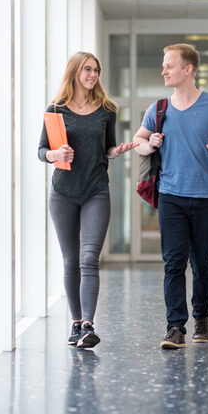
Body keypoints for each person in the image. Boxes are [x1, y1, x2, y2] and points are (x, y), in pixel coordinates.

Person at [133, 43, 208, 349]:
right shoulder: (158, 109)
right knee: (173, 262)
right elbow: (138, 143)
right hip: (171, 196)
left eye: (169, 65)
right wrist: (149, 142)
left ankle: (201, 318)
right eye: (163, 65)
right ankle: (175, 326)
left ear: (188, 69)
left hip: (206, 197)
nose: (163, 70)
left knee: (202, 262)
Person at [38, 51, 136, 349]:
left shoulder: (107, 109)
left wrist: (116, 151)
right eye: (87, 70)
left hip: (96, 190)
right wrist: (55, 155)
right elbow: (42, 150)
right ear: (75, 72)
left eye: (96, 70)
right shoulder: (56, 109)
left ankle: (89, 325)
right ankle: (76, 322)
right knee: (71, 261)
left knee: (89, 256)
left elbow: (107, 147)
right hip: (63, 193)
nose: (93, 75)